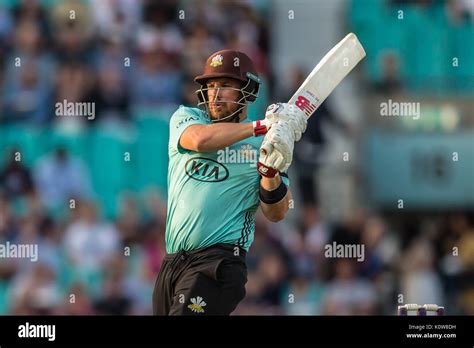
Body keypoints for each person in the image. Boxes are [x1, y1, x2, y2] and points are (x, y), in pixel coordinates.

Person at [153, 49, 306, 315]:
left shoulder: (265, 145)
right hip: (173, 263)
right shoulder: (186, 118)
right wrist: (262, 126)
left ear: (247, 91)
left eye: (225, 86)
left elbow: (277, 212)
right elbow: (200, 140)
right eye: (210, 86)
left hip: (218, 263)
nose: (214, 93)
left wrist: (269, 172)